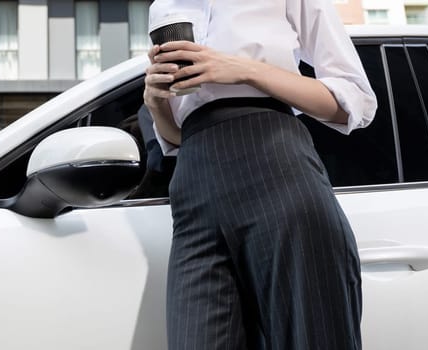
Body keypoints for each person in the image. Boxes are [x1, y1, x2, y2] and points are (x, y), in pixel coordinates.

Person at [143, 0, 377, 349]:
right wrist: (156, 102)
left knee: (314, 336)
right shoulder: (163, 6)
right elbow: (177, 137)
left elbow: (354, 102)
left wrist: (244, 70)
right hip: (194, 188)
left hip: (274, 165)